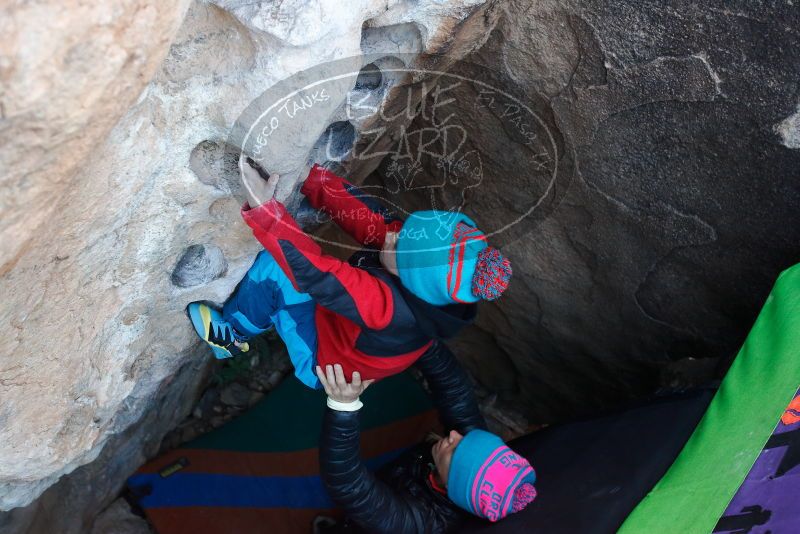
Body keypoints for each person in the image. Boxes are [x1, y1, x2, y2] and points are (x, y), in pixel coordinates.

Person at [187, 157, 512, 388]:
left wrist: (266, 210)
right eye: (406, 229)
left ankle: (232, 334)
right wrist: (313, 179)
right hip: (341, 331)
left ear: (412, 280)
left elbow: (315, 275)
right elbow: (371, 220)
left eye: (400, 244)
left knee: (275, 271)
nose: (395, 235)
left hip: (322, 360)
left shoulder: (386, 308)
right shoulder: (426, 271)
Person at [316, 356, 536, 533]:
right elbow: (455, 394)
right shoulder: (474, 456)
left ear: (453, 487)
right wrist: (425, 345)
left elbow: (349, 486)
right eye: (466, 438)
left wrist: (343, 407)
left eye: (455, 450)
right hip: (392, 487)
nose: (453, 436)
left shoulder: (418, 522)